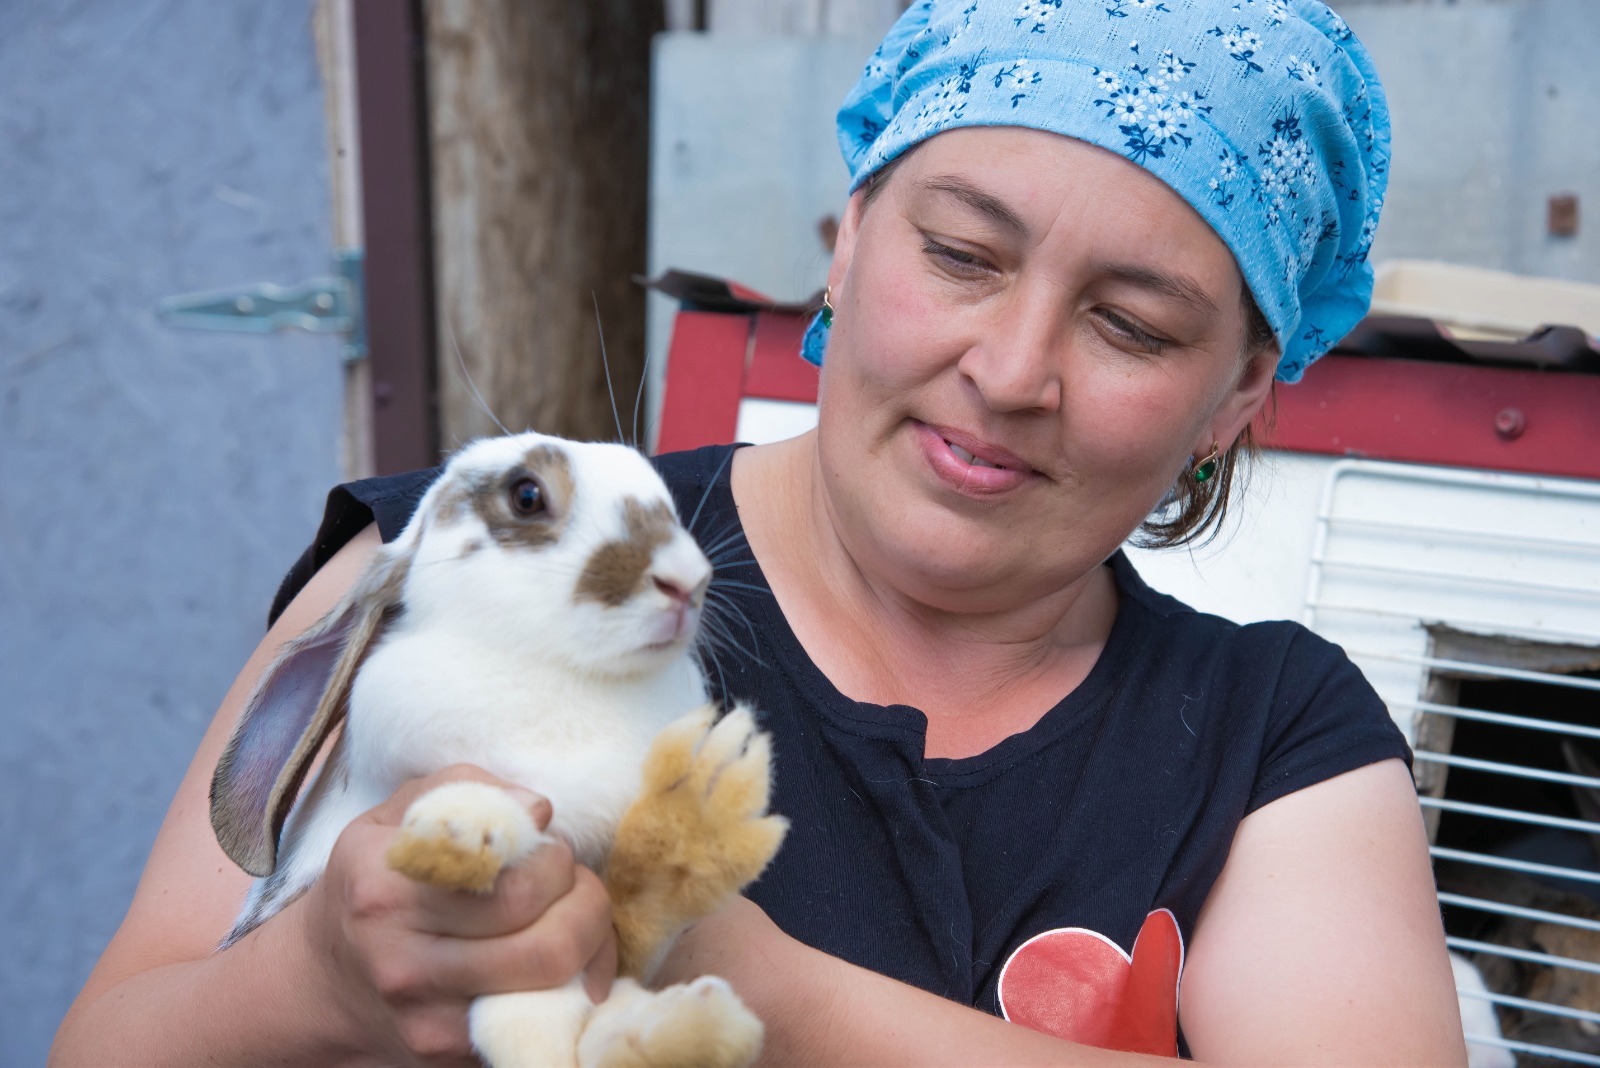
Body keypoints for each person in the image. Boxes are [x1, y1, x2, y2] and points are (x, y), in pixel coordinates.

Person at [53, 0, 1467, 1064]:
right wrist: (322, 977)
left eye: (1131, 325)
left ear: (1234, 397)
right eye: (962, 255)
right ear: (847, 240)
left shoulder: (1274, 742)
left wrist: (762, 986)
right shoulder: (482, 560)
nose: (1014, 368)